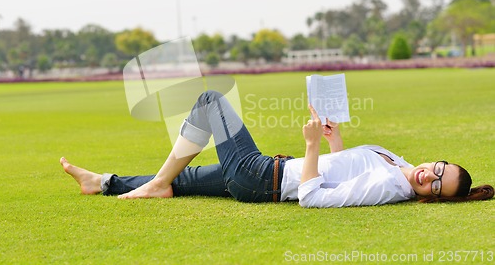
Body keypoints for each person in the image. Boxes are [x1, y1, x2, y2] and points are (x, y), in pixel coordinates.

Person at [60, 90, 493, 207]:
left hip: (263, 177)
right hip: (265, 175)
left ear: (430, 198)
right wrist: (331, 138)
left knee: (212, 101)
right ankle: (101, 182)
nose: (429, 177)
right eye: (439, 170)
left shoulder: (387, 188)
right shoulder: (396, 163)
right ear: (437, 160)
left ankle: (155, 182)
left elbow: (312, 196)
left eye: (437, 188)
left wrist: (308, 148)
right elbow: (341, 163)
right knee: (185, 181)